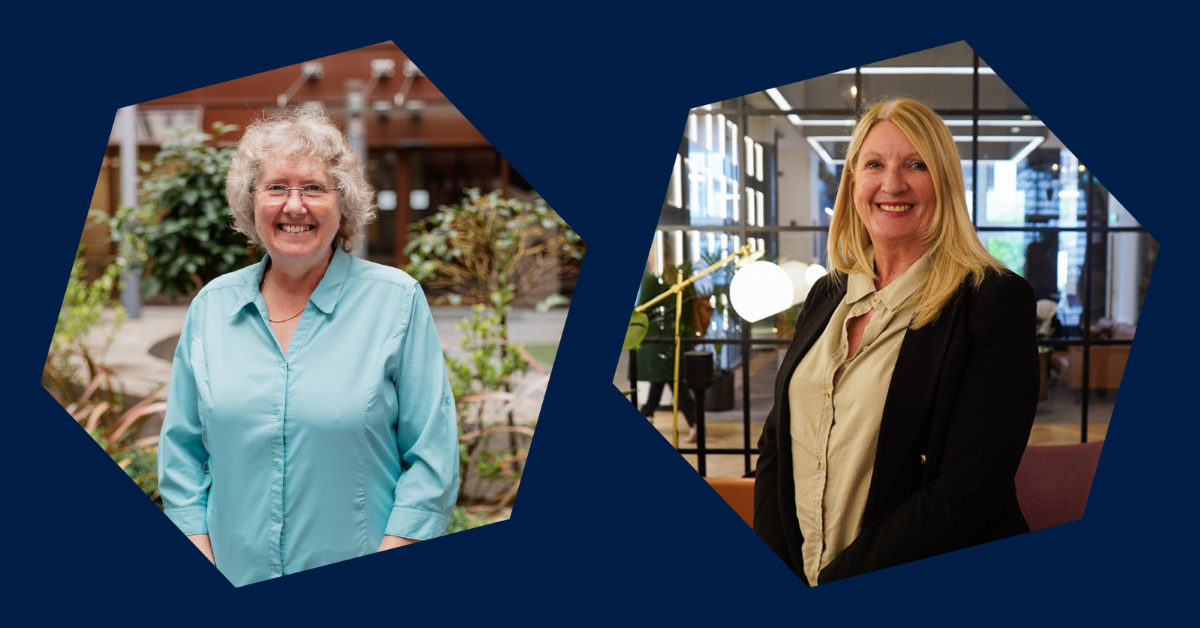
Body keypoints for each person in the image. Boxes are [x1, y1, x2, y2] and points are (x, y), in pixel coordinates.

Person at [157, 107, 459, 587]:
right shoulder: (211, 308)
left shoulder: (395, 302)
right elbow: (182, 458)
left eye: (314, 188)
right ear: (250, 202)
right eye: (276, 187)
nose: (294, 205)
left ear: (345, 203)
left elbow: (432, 461)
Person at [753, 98, 1039, 586]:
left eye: (916, 164)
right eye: (874, 164)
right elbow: (778, 445)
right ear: (853, 184)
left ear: (945, 183)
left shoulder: (993, 301)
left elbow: (967, 492)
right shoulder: (828, 293)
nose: (892, 184)